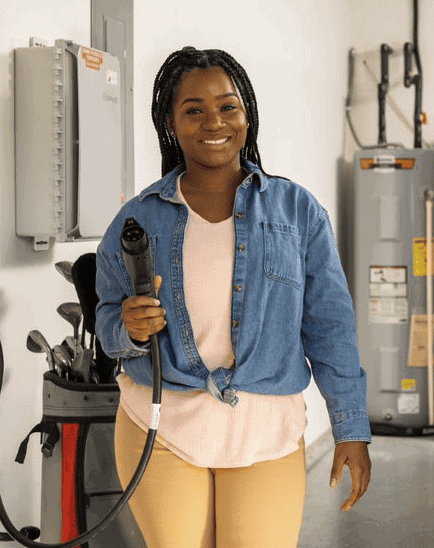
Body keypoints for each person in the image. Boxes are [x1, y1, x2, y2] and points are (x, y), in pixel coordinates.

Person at [95, 46, 371, 548]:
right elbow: (108, 322)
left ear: (247, 115)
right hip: (163, 427)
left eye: (227, 106)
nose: (213, 122)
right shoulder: (138, 219)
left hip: (264, 430)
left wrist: (350, 427)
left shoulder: (298, 212)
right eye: (193, 110)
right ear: (171, 123)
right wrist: (127, 329)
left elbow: (330, 327)